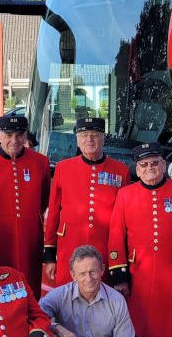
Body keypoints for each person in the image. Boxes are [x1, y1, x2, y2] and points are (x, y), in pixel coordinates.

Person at [107, 142, 172, 337]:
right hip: (138, 278)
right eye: (144, 164)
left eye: (155, 163)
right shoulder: (125, 195)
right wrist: (119, 275)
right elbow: (115, 237)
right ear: (137, 168)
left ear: (164, 164)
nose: (150, 168)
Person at [0, 115, 51, 298]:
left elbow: (44, 201)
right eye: (8, 134)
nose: (14, 140)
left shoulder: (41, 162)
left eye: (20, 134)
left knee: (29, 286)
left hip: (30, 238)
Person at [44, 117, 129, 286]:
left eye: (95, 135)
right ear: (77, 139)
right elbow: (54, 212)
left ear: (103, 137)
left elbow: (126, 220)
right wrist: (49, 254)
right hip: (69, 247)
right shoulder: (62, 168)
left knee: (102, 299)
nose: (89, 139)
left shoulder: (121, 171)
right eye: (83, 135)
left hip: (104, 248)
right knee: (68, 297)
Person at [39, 245, 136, 337]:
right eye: (82, 274)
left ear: (102, 270)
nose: (89, 279)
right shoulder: (60, 295)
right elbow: (36, 316)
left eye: (93, 272)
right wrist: (56, 327)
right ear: (73, 275)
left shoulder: (117, 300)